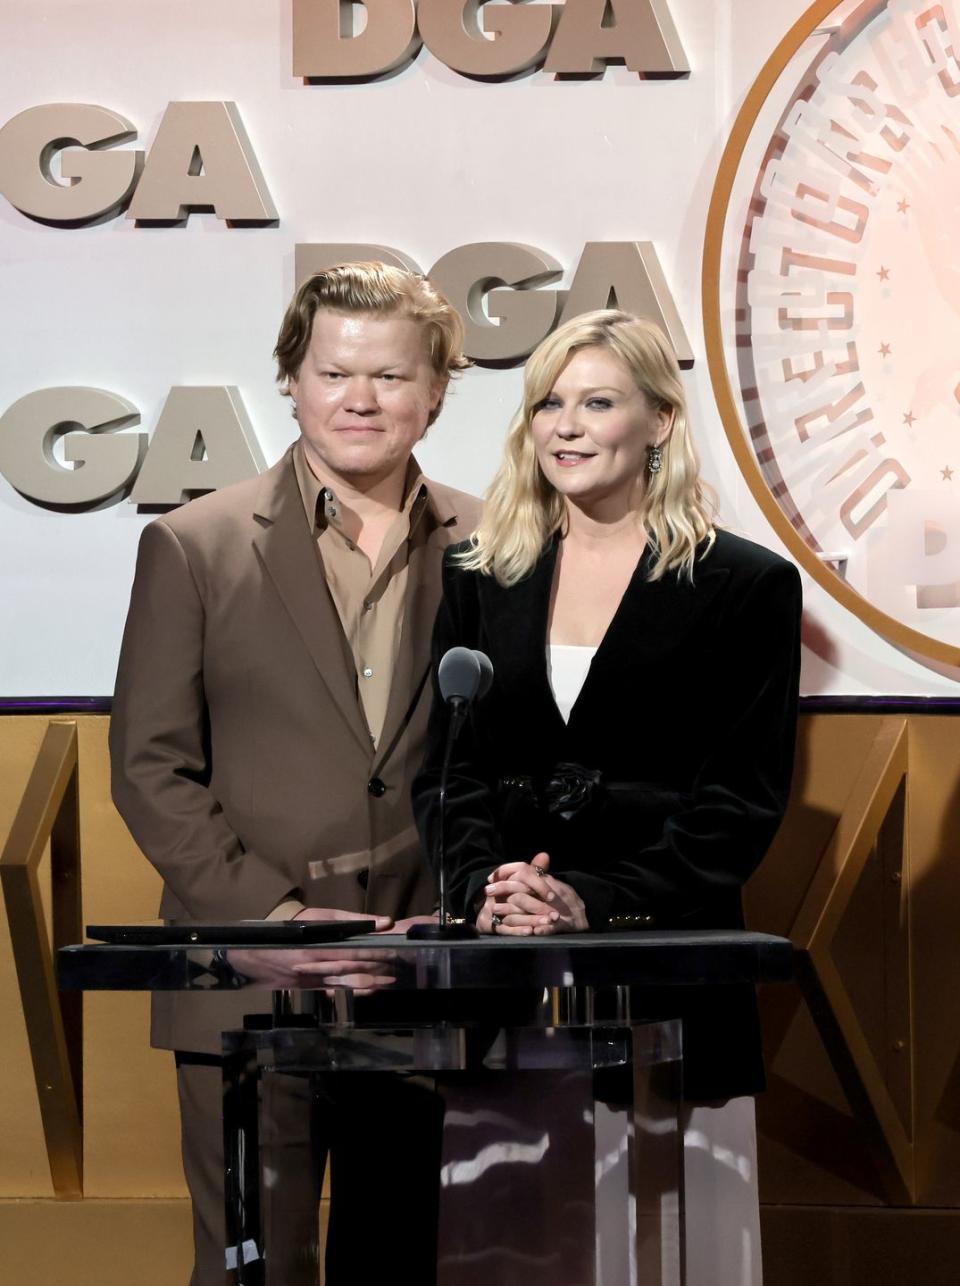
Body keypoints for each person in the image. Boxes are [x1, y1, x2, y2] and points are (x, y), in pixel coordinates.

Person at [412, 308, 802, 1286]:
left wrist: (593, 893)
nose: (567, 425)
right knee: (511, 1249)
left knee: (667, 1259)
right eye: (549, 401)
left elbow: (738, 800)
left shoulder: (743, 586)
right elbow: (446, 771)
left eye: (597, 401)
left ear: (660, 421)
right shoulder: (478, 574)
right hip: (509, 990)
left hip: (669, 986)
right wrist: (486, 888)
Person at [109, 262, 481, 1286]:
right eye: (335, 372)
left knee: (406, 1264)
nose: (361, 399)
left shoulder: (499, 543)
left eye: (392, 376)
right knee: (252, 1269)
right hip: (245, 982)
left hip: (425, 977)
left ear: (438, 387)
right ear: (292, 379)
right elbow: (150, 767)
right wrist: (264, 922)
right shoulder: (194, 543)